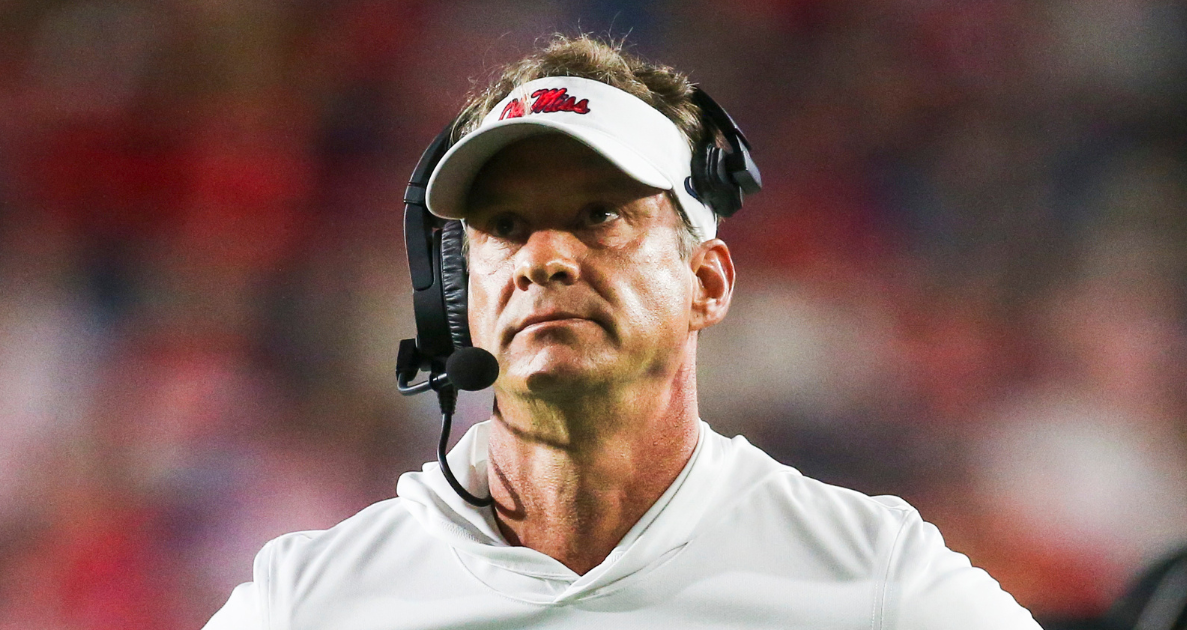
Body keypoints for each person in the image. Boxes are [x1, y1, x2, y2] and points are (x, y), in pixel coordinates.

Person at [203, 34, 1041, 629]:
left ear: (707, 282)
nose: (544, 258)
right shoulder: (310, 601)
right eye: (504, 225)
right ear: (458, 298)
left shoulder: (871, 579)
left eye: (599, 214)